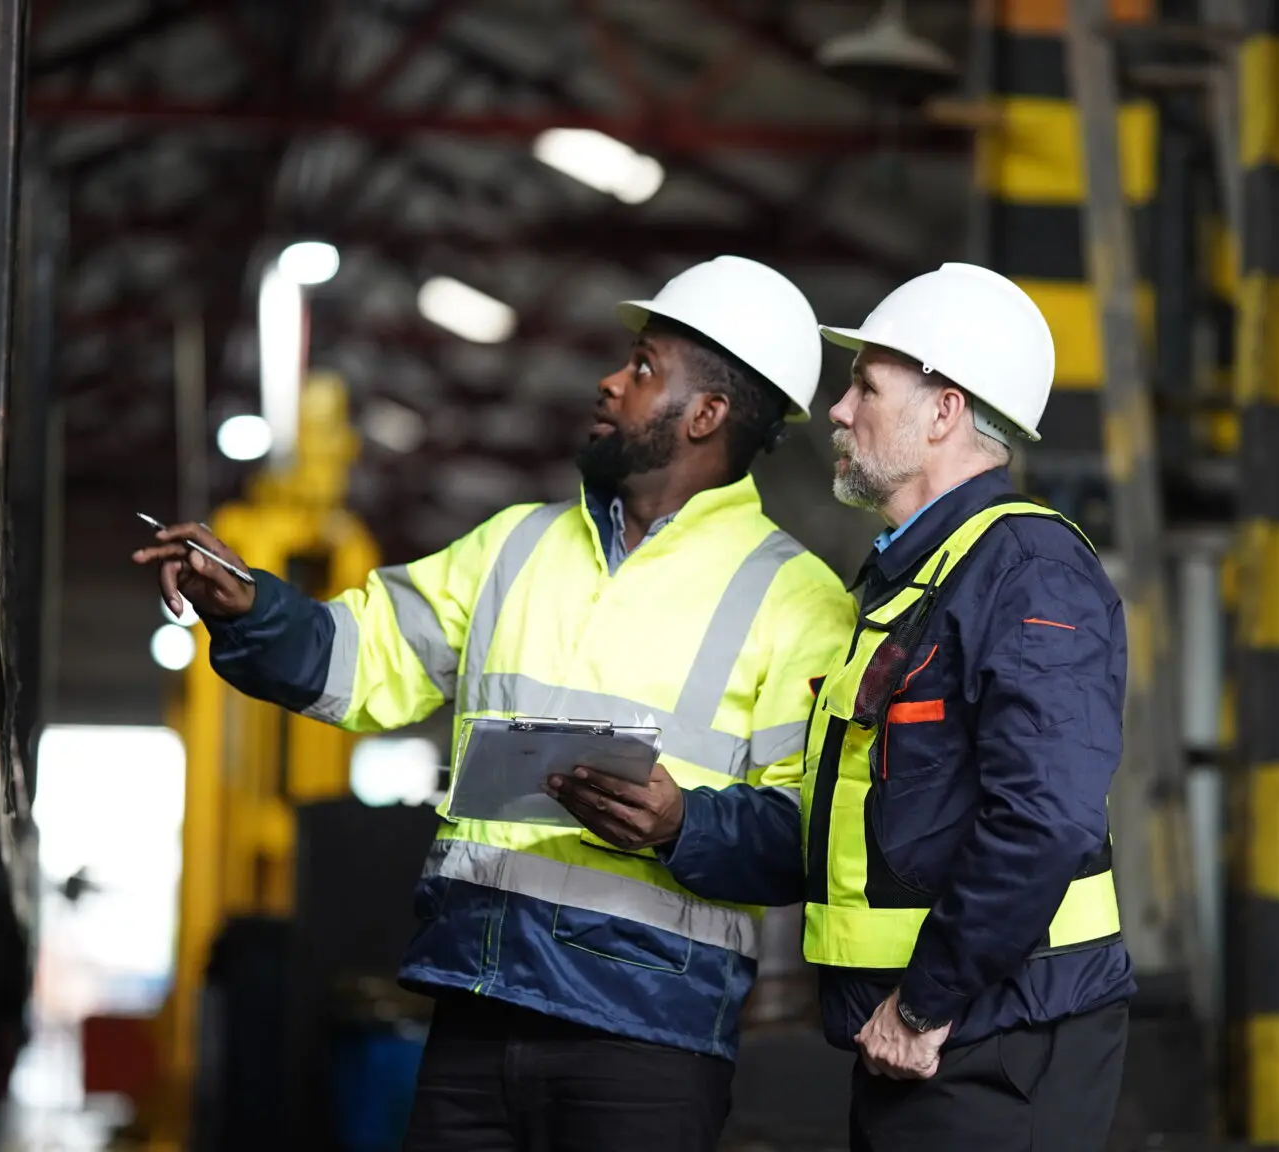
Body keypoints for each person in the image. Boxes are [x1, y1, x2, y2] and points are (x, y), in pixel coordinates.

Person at [132, 255, 858, 1152]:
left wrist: (682, 825)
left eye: (643, 368)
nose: (610, 380)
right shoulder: (515, 545)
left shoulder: (796, 600)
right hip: (477, 1010)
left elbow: (810, 833)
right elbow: (362, 659)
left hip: (647, 1042)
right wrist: (251, 607)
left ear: (705, 414)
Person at [547, 262, 1134, 1152]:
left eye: (866, 387)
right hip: (924, 1038)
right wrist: (682, 825)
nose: (838, 410)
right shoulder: (916, 583)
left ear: (944, 411)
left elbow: (1045, 818)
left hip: (996, 1038)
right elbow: (851, 826)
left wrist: (926, 1001)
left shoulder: (1027, 572)